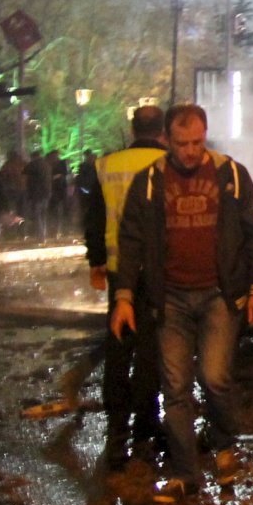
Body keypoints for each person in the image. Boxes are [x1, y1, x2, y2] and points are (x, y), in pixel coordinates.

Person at [110, 105, 253, 491]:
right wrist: (125, 297)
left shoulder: (230, 175)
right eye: (182, 143)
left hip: (219, 294)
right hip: (170, 300)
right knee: (176, 388)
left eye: (197, 142)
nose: (191, 151)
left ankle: (225, 440)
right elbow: (130, 241)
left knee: (214, 377)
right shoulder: (150, 181)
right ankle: (185, 472)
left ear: (206, 134)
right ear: (167, 140)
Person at [83, 106, 167, 466]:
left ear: (132, 128)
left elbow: (93, 217)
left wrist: (96, 260)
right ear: (162, 130)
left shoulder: (106, 165)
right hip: (162, 272)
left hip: (120, 269)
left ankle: (117, 426)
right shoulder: (170, 165)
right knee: (152, 348)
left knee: (118, 347)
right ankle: (147, 425)